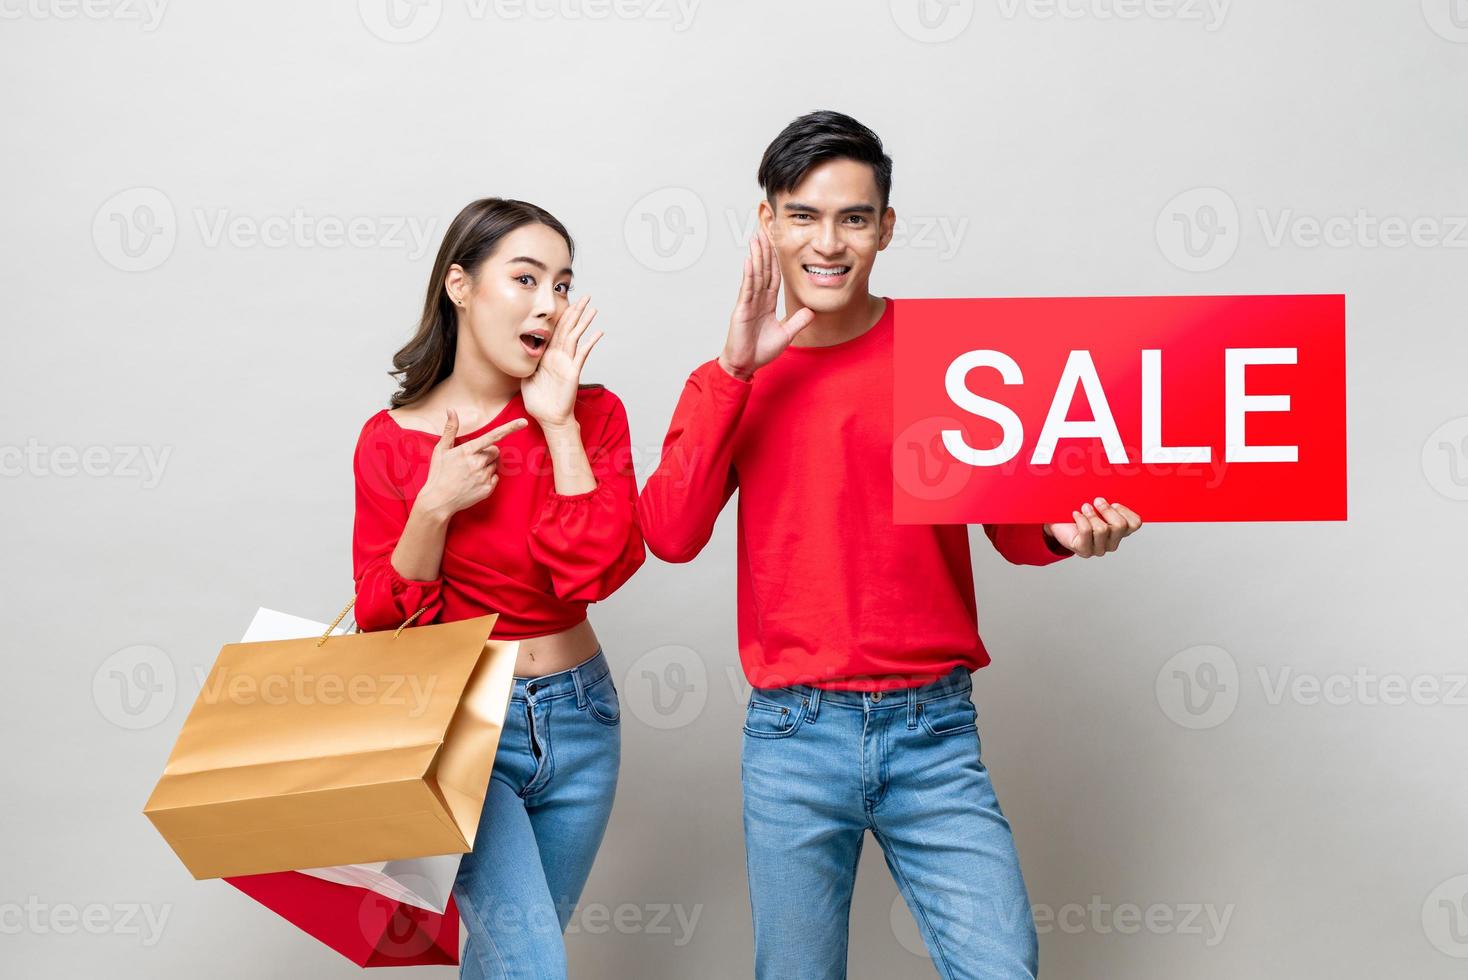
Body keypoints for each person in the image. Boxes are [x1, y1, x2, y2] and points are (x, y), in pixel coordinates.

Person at [637, 111, 1144, 980]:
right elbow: (670, 534)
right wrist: (734, 373)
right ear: (767, 223)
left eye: (853, 218)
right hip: (794, 735)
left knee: (1001, 966)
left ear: (886, 228)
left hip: (933, 731)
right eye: (803, 215)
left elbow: (1015, 531)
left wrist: (1067, 530)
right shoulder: (728, 381)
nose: (827, 242)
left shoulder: (954, 364)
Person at [351, 197, 645, 979]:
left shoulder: (592, 415)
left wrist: (557, 425)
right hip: (466, 728)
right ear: (459, 285)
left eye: (562, 284)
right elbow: (381, 621)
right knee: (532, 967)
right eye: (525, 278)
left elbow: (597, 570)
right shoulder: (392, 441)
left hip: (585, 719)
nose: (549, 304)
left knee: (507, 962)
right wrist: (432, 507)